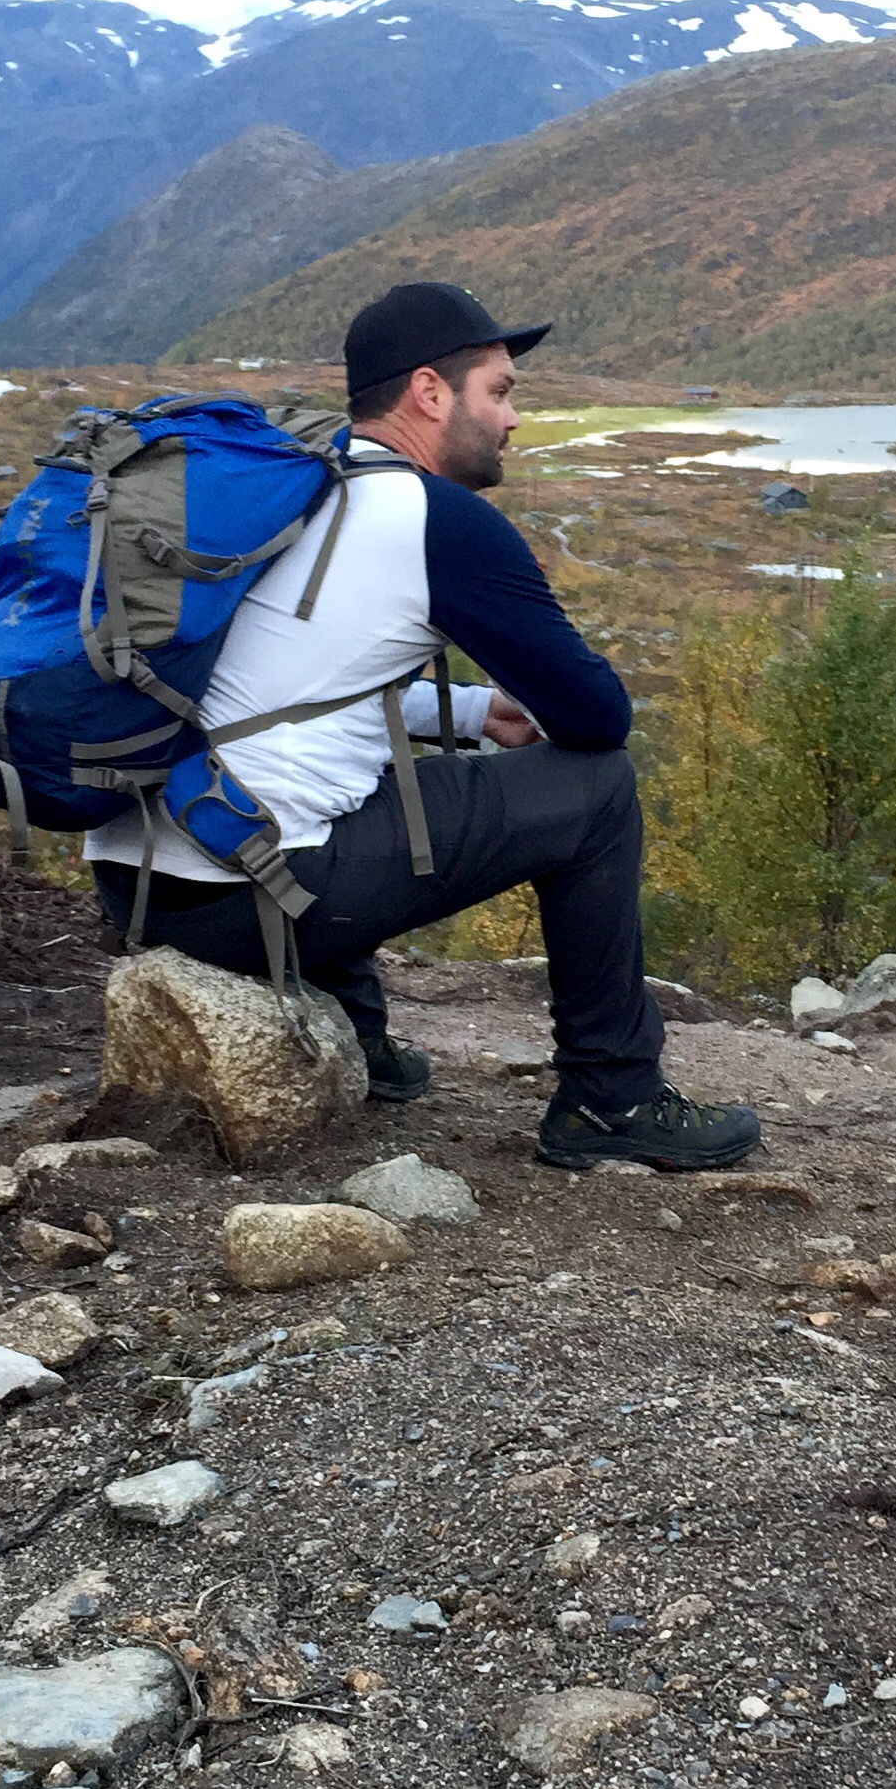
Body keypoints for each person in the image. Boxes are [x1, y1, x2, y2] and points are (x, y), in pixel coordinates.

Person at [80, 280, 762, 1173]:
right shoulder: (438, 521)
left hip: (139, 884)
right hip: (246, 902)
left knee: (333, 784)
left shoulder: (294, 496)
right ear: (430, 393)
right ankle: (612, 1094)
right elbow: (598, 717)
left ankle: (359, 1041)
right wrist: (528, 706)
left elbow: (301, 692)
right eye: (501, 391)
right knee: (597, 789)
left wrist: (476, 711)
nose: (514, 419)